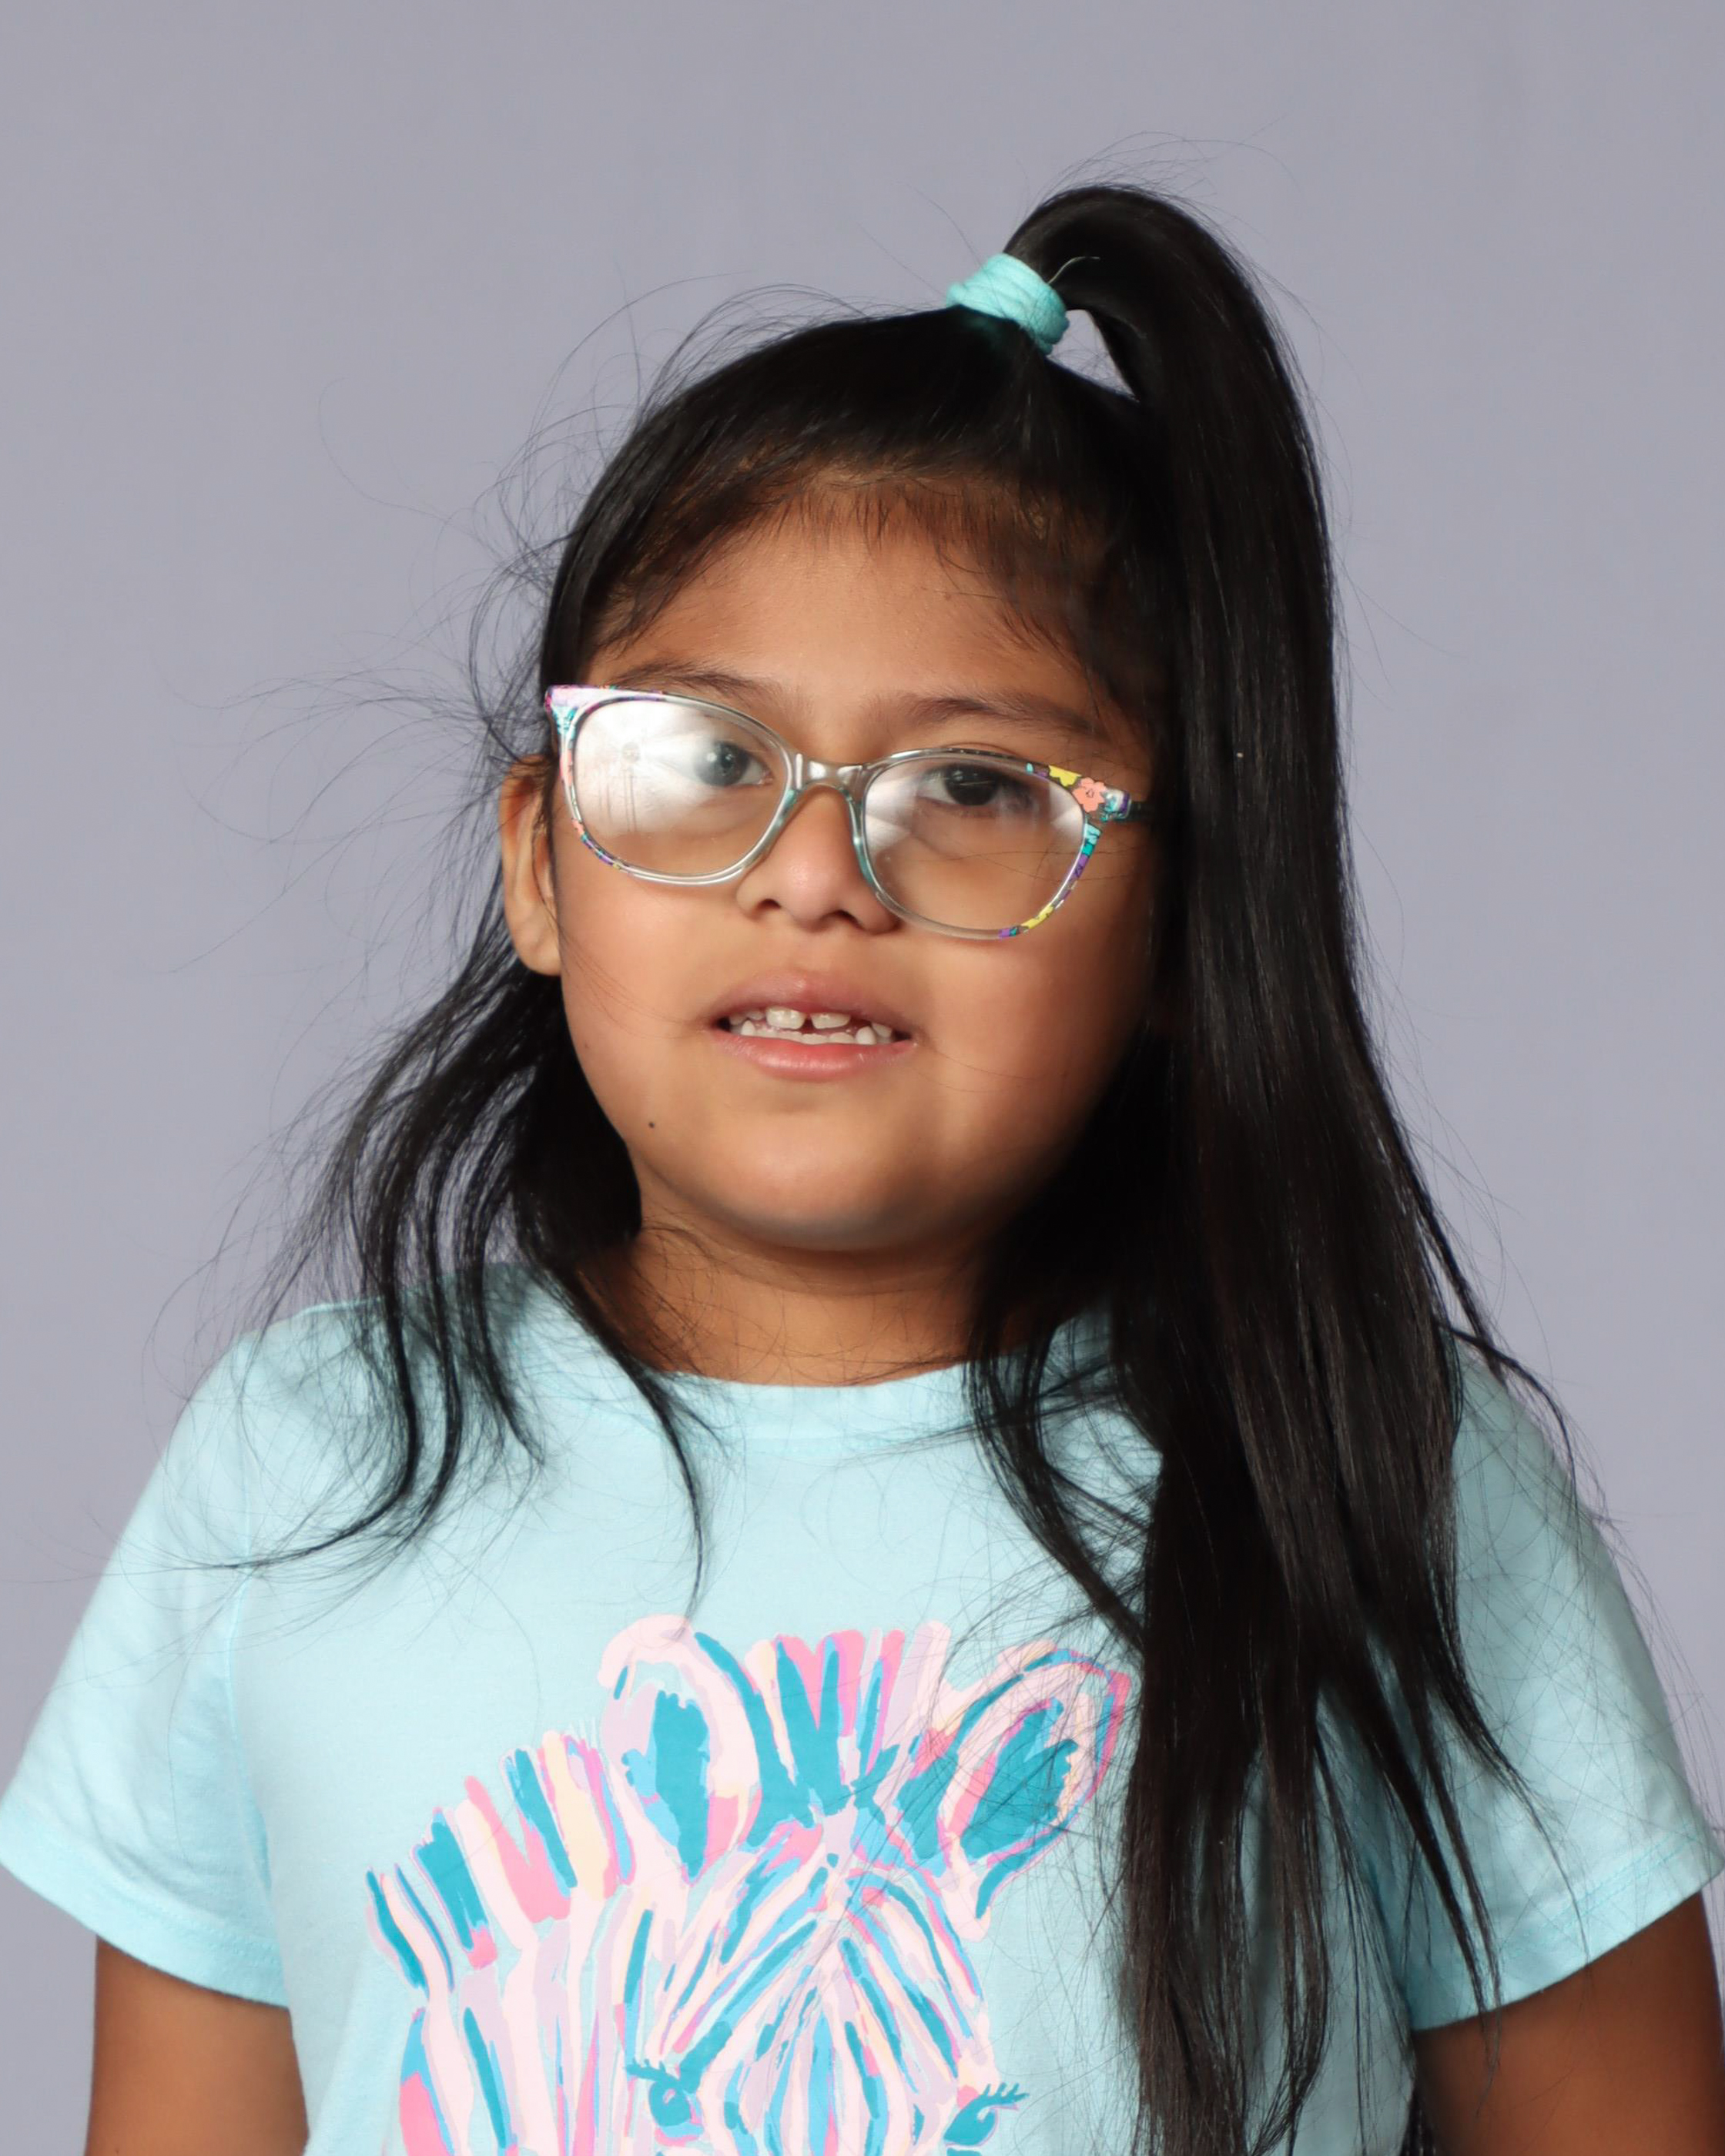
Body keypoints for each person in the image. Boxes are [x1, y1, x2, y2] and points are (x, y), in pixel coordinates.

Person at [2, 181, 1721, 2156]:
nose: (812, 871)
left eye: (973, 785)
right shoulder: (301, 1468)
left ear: (1184, 928)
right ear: (539, 859)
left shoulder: (1367, 1463)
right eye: (703, 757)